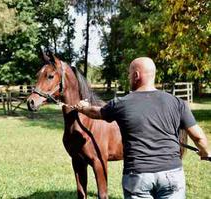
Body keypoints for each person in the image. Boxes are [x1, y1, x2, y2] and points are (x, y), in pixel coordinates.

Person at [74, 57, 210, 199]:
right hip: (172, 174)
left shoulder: (121, 103)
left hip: (138, 176)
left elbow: (96, 113)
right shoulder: (177, 102)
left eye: (129, 74)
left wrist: (83, 108)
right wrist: (205, 152)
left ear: (136, 75)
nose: (128, 77)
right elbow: (198, 136)